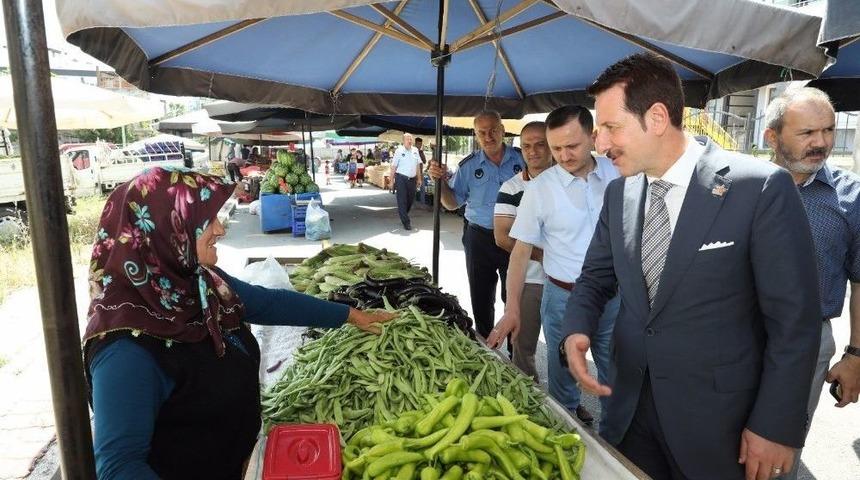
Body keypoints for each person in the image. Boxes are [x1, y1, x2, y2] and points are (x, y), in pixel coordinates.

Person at [561, 53, 821, 480]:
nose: (600, 144)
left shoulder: (758, 188)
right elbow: (595, 277)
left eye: (610, 127)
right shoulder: (618, 195)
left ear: (658, 117)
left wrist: (775, 426)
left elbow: (795, 323)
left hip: (718, 427)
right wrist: (576, 328)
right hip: (628, 413)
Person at [84, 167, 393, 479]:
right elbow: (118, 467)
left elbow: (269, 303)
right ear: (167, 230)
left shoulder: (199, 285)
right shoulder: (125, 350)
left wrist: (351, 315)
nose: (220, 229)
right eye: (207, 221)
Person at [488, 109, 620, 427]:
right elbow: (519, 253)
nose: (563, 156)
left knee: (616, 376)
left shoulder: (618, 173)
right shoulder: (539, 189)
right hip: (563, 298)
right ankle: (568, 431)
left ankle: (618, 449)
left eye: (571, 146)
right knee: (563, 377)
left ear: (593, 137)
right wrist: (513, 308)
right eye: (556, 148)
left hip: (615, 299)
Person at [763, 87, 860, 479]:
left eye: (828, 130)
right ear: (772, 136)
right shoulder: (736, 186)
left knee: (781, 445)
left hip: (807, 341)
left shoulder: (851, 197)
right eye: (806, 133)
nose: (820, 142)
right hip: (732, 332)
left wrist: (855, 355)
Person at [427, 110, 525, 339]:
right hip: (479, 238)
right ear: (476, 135)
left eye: (493, 130)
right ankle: (486, 347)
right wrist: (439, 181)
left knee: (514, 297)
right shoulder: (468, 166)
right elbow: (452, 204)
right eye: (482, 132)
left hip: (516, 238)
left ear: (502, 130)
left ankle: (515, 352)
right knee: (481, 298)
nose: (488, 136)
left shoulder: (522, 159)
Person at [488, 121, 552, 382]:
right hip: (530, 280)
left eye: (540, 145)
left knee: (568, 345)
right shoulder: (511, 188)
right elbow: (502, 237)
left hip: (568, 282)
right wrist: (545, 257)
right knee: (523, 347)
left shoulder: (569, 180)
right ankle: (529, 396)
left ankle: (570, 403)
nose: (533, 151)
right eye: (526, 146)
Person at [390, 133, 423, 231]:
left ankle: (403, 213)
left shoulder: (415, 150)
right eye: (407, 139)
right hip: (401, 179)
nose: (410, 141)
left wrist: (419, 178)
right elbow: (393, 166)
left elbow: (417, 165)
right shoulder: (399, 151)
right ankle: (406, 222)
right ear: (403, 141)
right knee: (402, 200)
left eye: (411, 139)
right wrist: (391, 180)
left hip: (412, 179)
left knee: (410, 200)